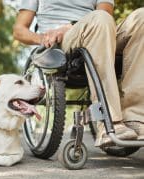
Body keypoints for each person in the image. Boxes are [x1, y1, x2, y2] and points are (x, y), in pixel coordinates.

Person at [13, 0, 144, 147]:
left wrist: (70, 26)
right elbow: (19, 30)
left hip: (98, 30)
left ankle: (135, 119)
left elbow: (107, 14)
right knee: (100, 19)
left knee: (141, 18)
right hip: (61, 43)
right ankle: (109, 122)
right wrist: (44, 38)